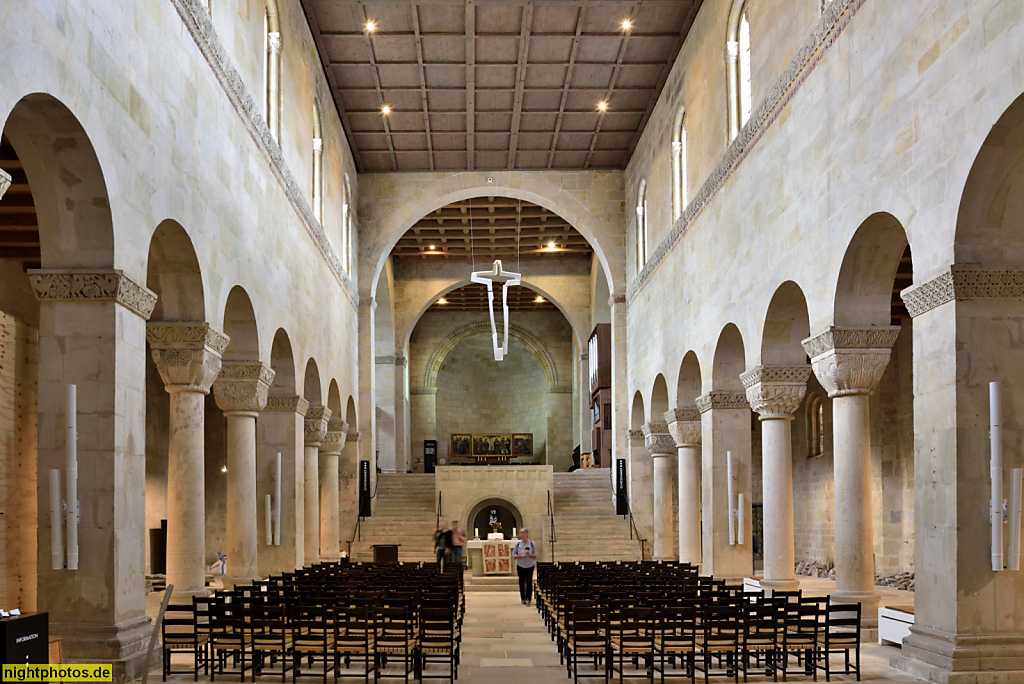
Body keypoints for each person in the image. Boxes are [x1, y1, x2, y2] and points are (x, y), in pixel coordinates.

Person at [512, 528, 537, 605]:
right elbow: (513, 555)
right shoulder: (518, 544)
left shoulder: (532, 544)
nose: (522, 535)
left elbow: (535, 555)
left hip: (530, 565)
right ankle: (523, 598)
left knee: (529, 582)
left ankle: (529, 598)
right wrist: (520, 556)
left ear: (527, 534)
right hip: (520, 565)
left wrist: (530, 554)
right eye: (520, 533)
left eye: (523, 533)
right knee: (521, 582)